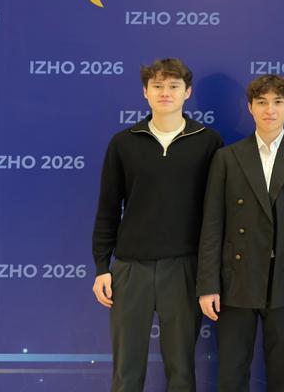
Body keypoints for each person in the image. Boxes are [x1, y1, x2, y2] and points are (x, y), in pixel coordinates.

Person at [91, 58, 224, 392]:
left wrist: (210, 274)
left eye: (174, 86)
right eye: (158, 85)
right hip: (130, 269)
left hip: (184, 267)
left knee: (181, 369)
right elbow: (108, 208)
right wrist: (102, 267)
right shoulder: (123, 142)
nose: (165, 92)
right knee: (126, 369)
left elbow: (216, 215)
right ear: (145, 92)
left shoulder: (209, 142)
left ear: (187, 92)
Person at [196, 75, 284, 392]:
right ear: (250, 107)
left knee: (282, 374)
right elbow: (212, 225)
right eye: (262, 102)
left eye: (278, 102)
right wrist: (208, 285)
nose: (270, 110)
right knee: (231, 373)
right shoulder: (227, 157)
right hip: (235, 280)